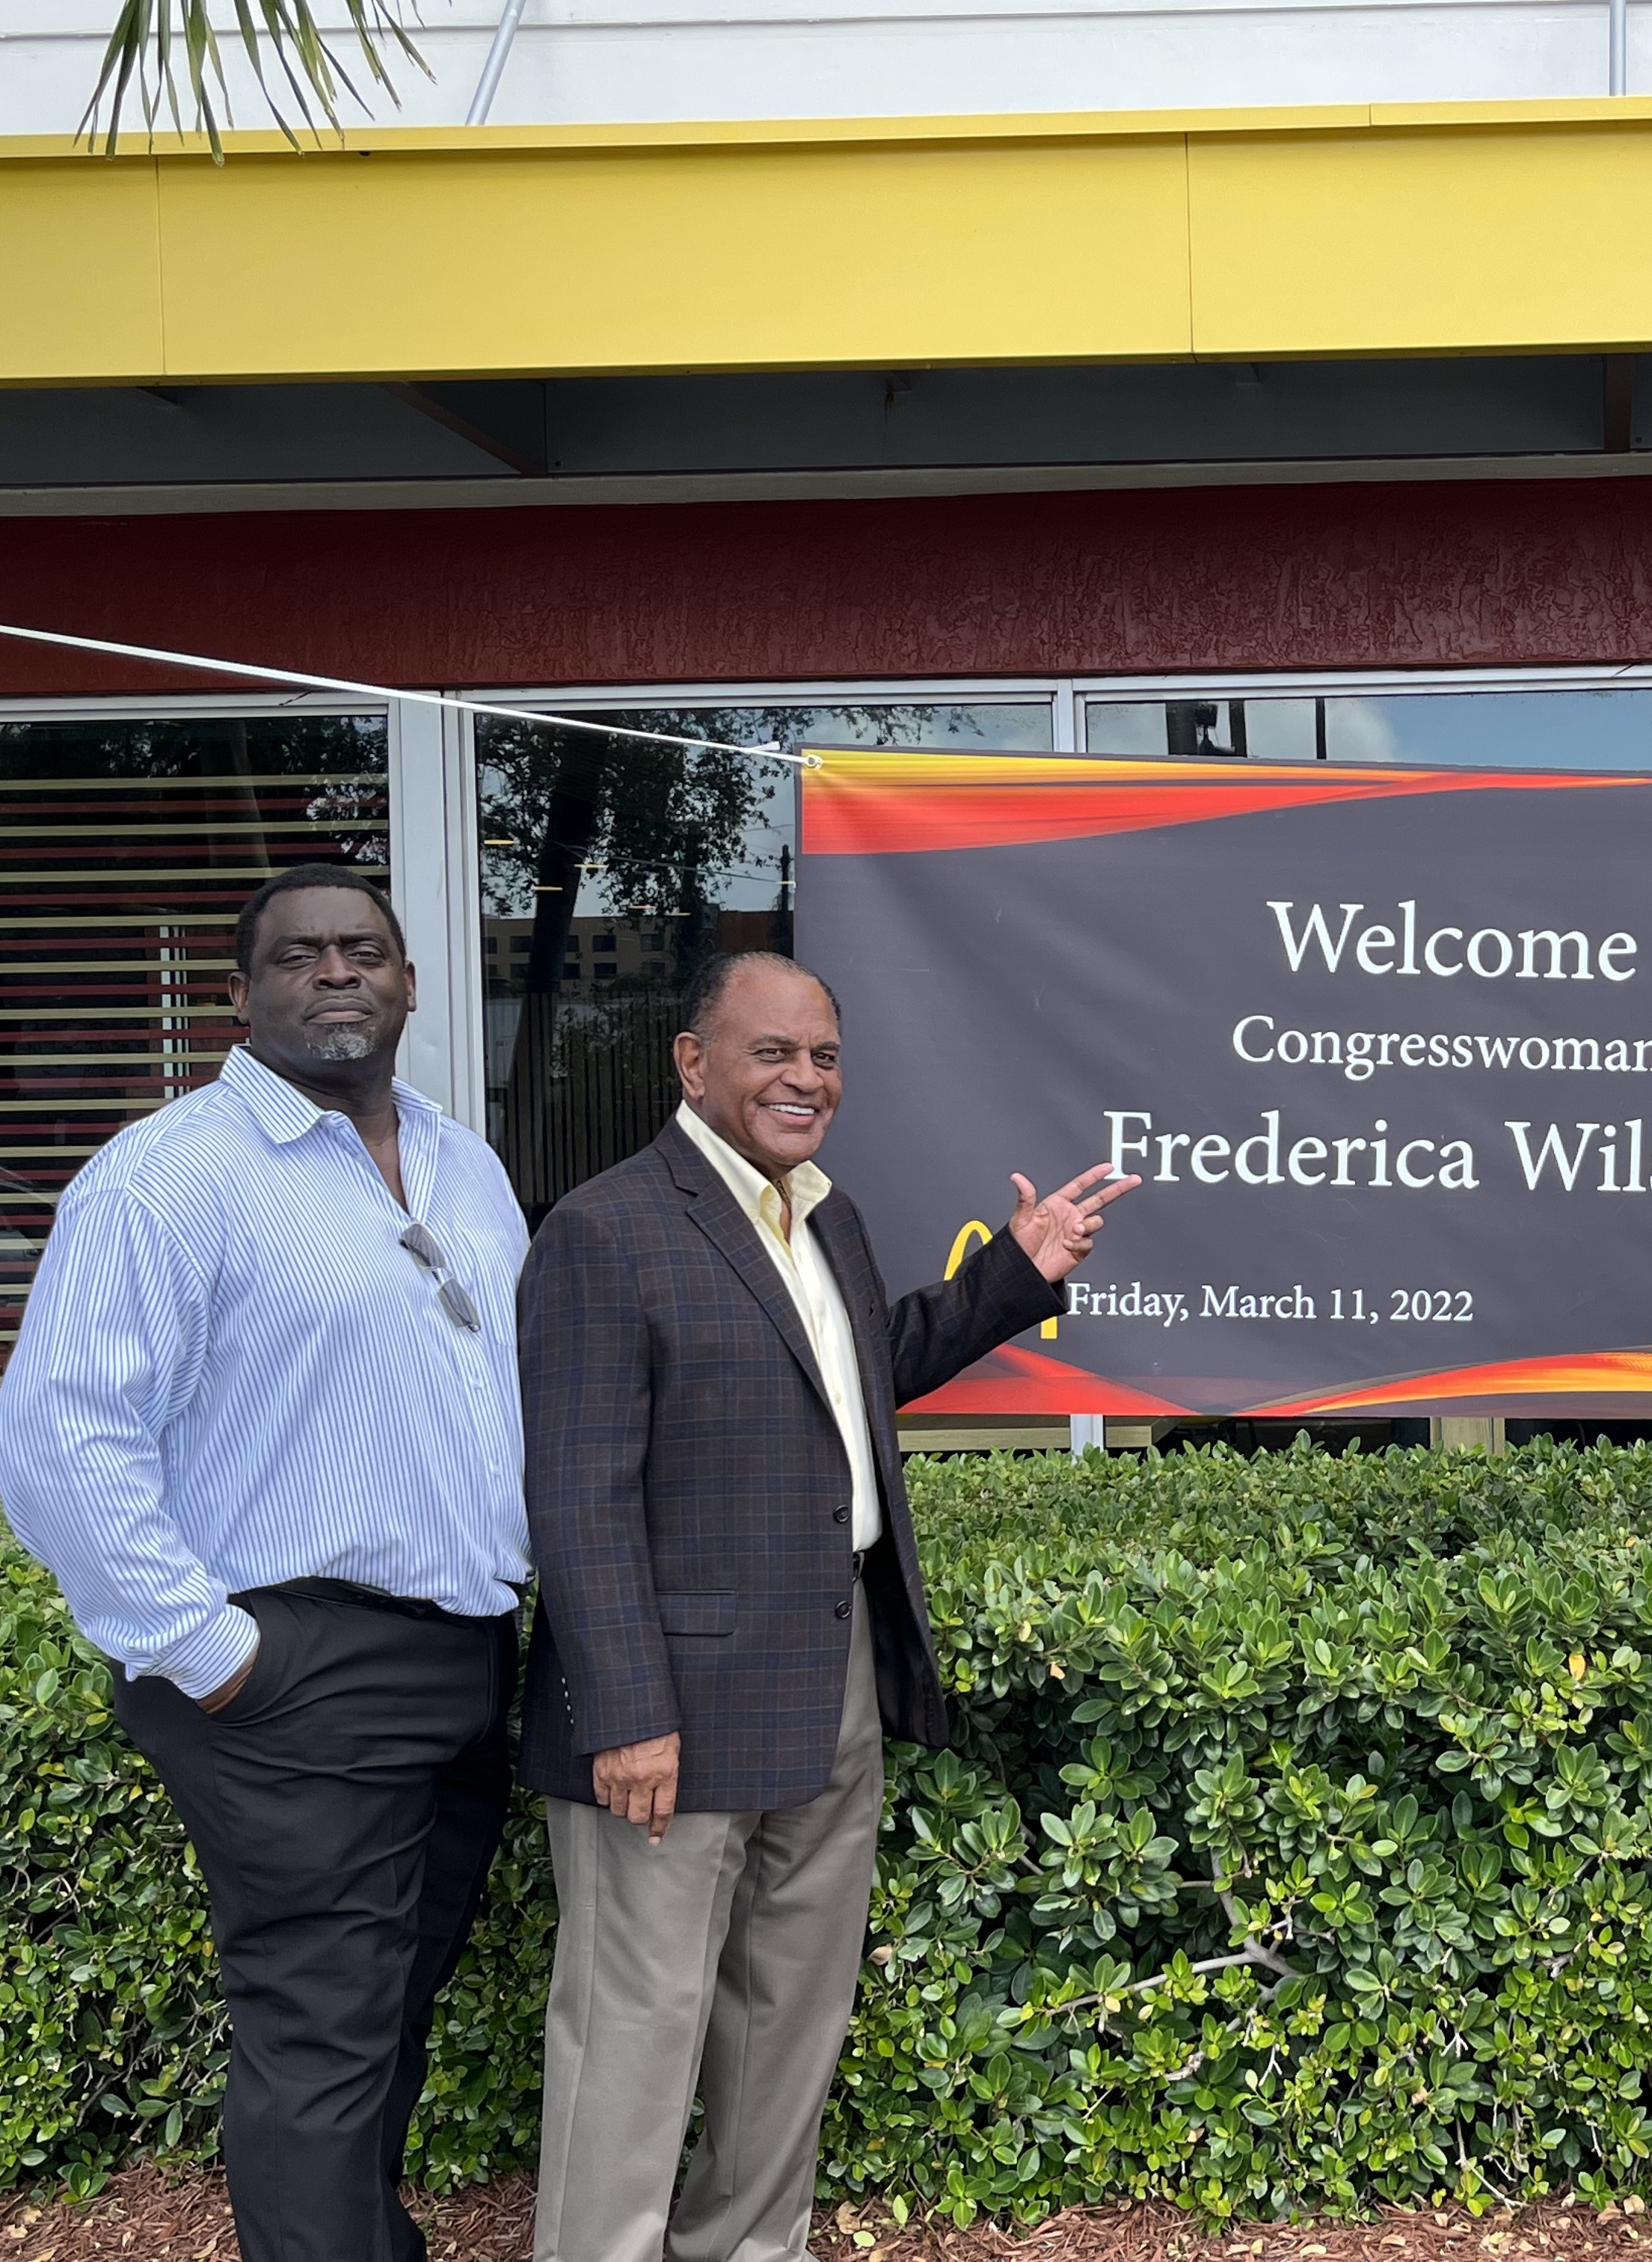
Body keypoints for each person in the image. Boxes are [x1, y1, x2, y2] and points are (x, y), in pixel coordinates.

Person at [519, 948, 1135, 2262]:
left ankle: (750, 2246)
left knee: (787, 2009)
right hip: (667, 1714)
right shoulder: (607, 1228)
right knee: (636, 2023)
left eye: (826, 1057)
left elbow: (861, 1373)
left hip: (831, 1669)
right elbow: (575, 1495)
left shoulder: (823, 1216)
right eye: (773, 1052)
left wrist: (1013, 1276)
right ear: (693, 1063)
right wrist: (626, 1709)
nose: (806, 1079)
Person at [0, 865, 528, 2262]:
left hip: (461, 1655)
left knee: (384, 2013)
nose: (337, 972)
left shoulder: (461, 1160)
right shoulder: (168, 1175)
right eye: (300, 955)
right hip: (294, 1665)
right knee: (319, 2032)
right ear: (243, 994)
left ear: (411, 983)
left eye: (366, 949)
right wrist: (212, 1654)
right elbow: (62, 1440)